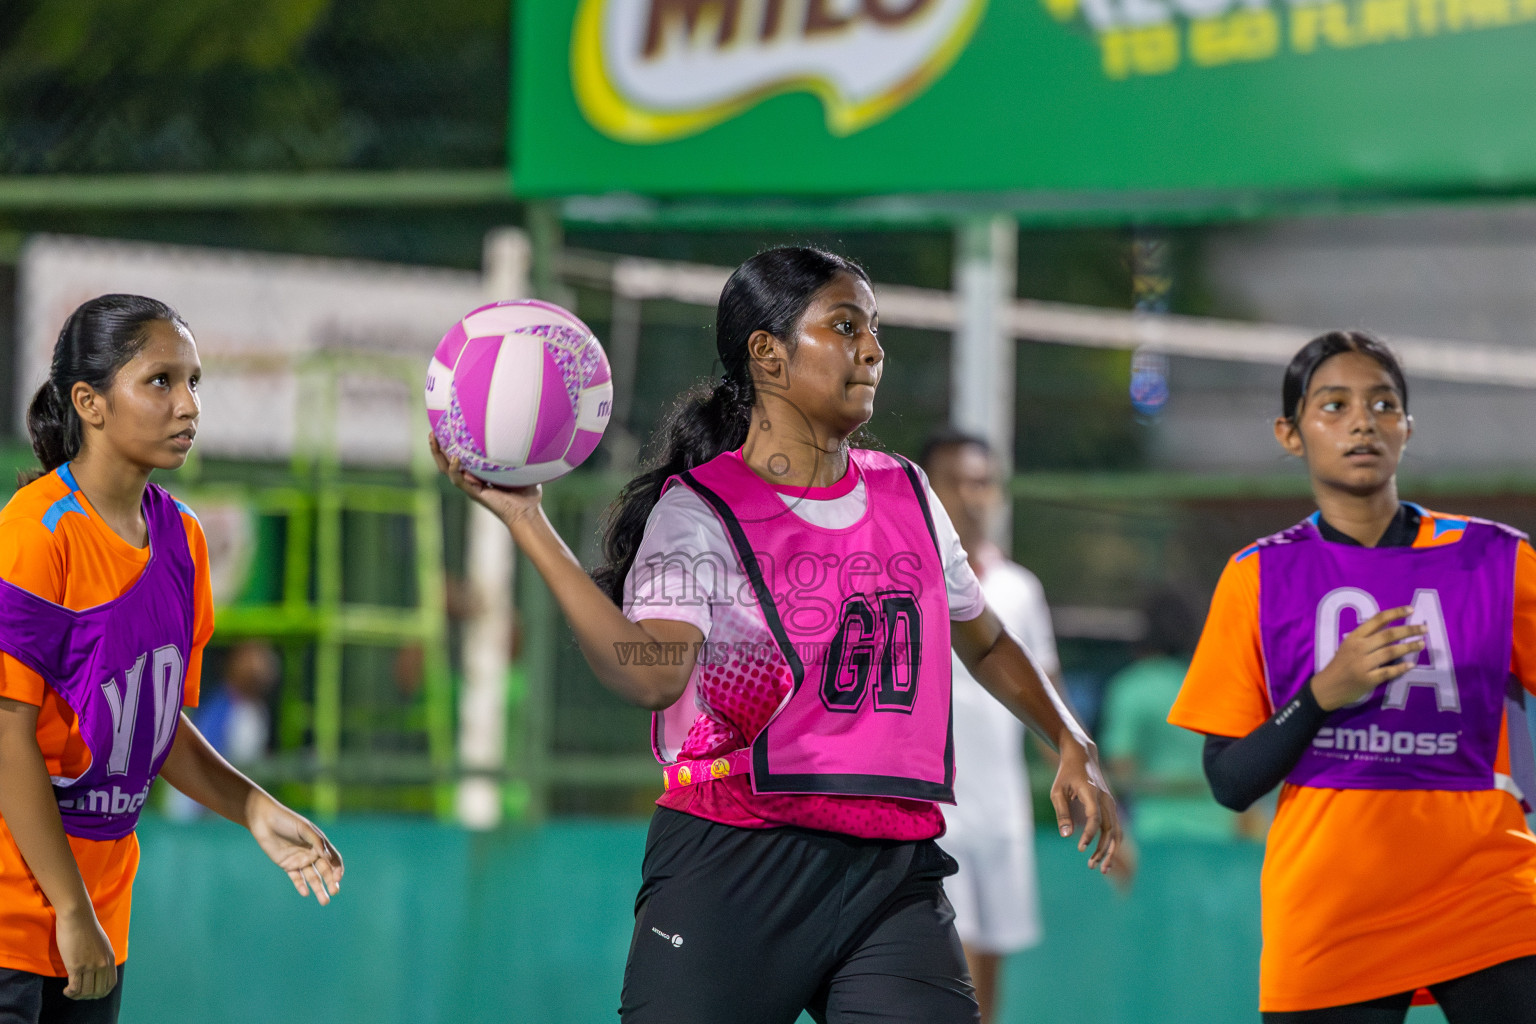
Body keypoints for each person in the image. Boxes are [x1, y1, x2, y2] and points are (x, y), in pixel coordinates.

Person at [432, 247, 1120, 1024]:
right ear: (768, 353)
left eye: (875, 329)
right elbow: (653, 673)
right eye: (845, 325)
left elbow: (986, 640)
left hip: (890, 873)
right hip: (734, 864)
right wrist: (528, 519)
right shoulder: (702, 513)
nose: (873, 348)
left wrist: (1068, 737)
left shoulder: (910, 495)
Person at [1167, 330, 1536, 1022]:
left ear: (1407, 427)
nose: (1363, 421)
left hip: (1490, 897)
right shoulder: (1260, 575)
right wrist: (1318, 696)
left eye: (1383, 403)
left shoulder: (1495, 559)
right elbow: (1230, 781)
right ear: (1289, 432)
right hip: (1331, 912)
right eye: (1333, 405)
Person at [0, 295, 344, 1023]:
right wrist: (68, 905)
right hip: (18, 916)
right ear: (89, 403)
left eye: (194, 382)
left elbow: (152, 726)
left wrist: (250, 807)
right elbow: (6, 737)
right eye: (160, 381)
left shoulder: (182, 539)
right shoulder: (35, 534)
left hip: (97, 916)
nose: (187, 404)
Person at [919, 430, 1056, 1024]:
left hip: (1002, 819)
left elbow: (1046, 699)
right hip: (931, 815)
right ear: (928, 493)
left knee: (986, 989)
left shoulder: (1021, 590)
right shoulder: (903, 581)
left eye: (985, 483)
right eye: (958, 483)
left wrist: (1099, 798)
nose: (974, 497)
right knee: (954, 974)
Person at [1100, 587, 1237, 840]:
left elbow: (1121, 767)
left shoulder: (1130, 688)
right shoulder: (1217, 687)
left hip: (1153, 832)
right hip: (1219, 831)